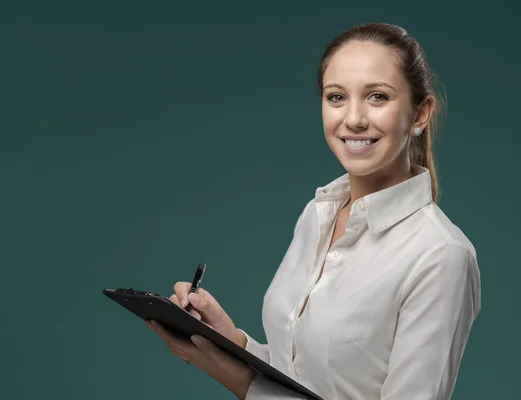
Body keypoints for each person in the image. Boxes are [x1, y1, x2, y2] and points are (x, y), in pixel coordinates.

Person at [144, 22, 481, 400]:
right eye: (337, 97)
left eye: (378, 97)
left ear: (420, 114)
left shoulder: (441, 255)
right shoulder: (316, 214)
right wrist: (232, 341)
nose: (353, 118)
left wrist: (240, 381)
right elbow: (304, 377)